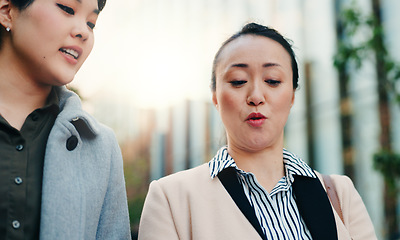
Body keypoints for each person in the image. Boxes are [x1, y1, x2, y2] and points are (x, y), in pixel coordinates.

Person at [138, 23, 376, 240]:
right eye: (238, 81)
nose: (256, 97)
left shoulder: (339, 194)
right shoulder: (171, 199)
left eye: (272, 80)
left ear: (292, 96)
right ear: (215, 98)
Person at [0, 0, 131, 239]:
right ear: (7, 11)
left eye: (91, 23)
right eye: (67, 9)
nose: (83, 31)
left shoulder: (102, 148)